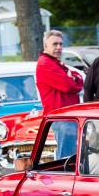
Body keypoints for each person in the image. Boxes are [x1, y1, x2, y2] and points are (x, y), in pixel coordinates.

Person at [36, 30, 84, 159]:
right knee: (66, 158)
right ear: (45, 46)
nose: (59, 48)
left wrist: (73, 78)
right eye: (55, 44)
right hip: (61, 117)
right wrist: (72, 79)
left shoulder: (55, 63)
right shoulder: (45, 64)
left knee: (71, 155)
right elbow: (69, 86)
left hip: (67, 116)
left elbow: (79, 79)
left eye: (60, 44)